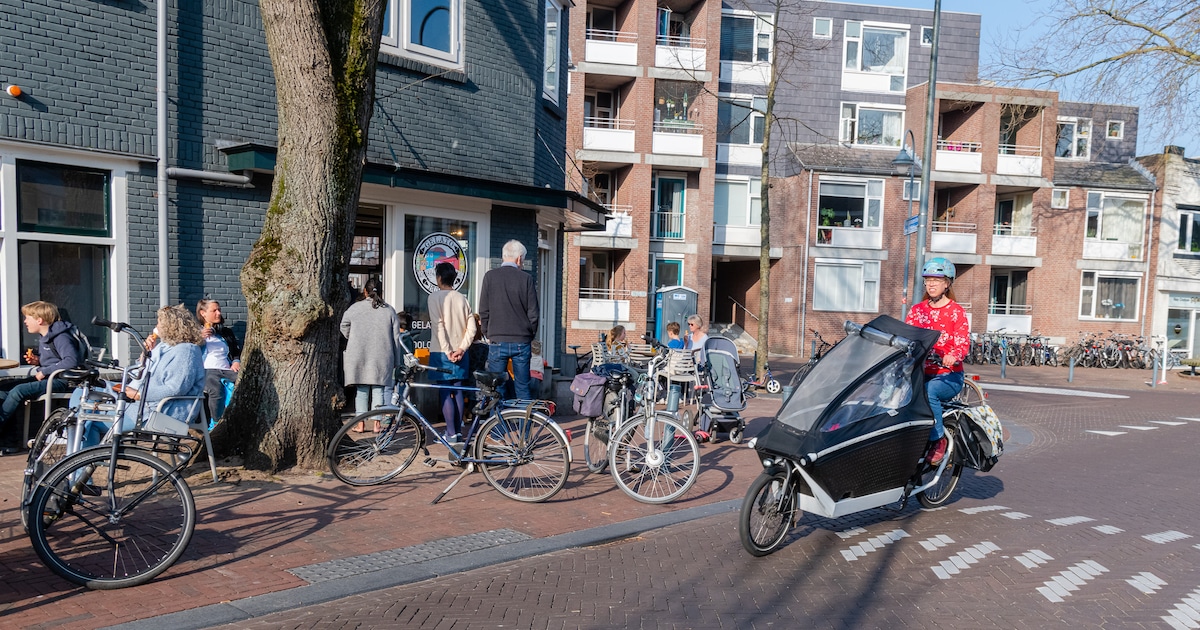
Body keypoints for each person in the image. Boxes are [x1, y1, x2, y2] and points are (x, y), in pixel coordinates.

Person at [83, 305, 206, 447]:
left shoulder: (186, 351)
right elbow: (137, 375)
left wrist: (139, 394)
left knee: (89, 421)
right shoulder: (162, 347)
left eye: (159, 322)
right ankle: (77, 465)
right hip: (140, 403)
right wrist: (145, 354)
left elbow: (176, 388)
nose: (156, 326)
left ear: (171, 326)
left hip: (161, 410)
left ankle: (78, 466)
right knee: (83, 395)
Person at [904, 257, 970, 465]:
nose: (930, 284)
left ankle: (937, 439)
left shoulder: (956, 312)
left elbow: (962, 343)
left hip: (948, 376)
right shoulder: (917, 311)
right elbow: (906, 336)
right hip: (920, 371)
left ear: (947, 283)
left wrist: (953, 355)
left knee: (929, 392)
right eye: (928, 279)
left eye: (936, 279)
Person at [0, 301, 83, 454]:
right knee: (4, 389)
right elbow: (55, 359)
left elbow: (71, 360)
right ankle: (8, 441)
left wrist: (45, 371)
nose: (25, 321)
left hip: (61, 381)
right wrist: (38, 361)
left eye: (27, 318)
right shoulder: (45, 336)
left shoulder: (61, 337)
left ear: (39, 320)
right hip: (49, 378)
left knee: (17, 391)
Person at [478, 240, 539, 400]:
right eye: (523, 260)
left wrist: (487, 332)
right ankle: (524, 424)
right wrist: (529, 334)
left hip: (497, 339)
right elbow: (533, 312)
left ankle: (498, 424)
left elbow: (483, 310)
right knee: (522, 387)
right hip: (521, 340)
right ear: (519, 259)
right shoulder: (526, 279)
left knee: (496, 389)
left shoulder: (490, 277)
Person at [341, 277, 404, 431]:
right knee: (379, 389)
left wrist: (353, 337)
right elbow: (396, 337)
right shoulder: (389, 310)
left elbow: (344, 325)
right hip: (382, 355)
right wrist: (397, 358)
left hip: (359, 353)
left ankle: (360, 423)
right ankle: (377, 424)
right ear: (381, 292)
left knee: (361, 390)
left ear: (365, 291)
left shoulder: (355, 308)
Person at [427, 262, 477, 445]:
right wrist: (462, 348)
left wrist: (448, 351)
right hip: (461, 353)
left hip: (441, 352)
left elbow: (438, 325)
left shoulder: (434, 298)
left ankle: (450, 433)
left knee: (445, 392)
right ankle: (458, 433)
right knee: (458, 389)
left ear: (439, 278)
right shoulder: (462, 298)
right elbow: (472, 328)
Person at [196, 298, 241, 423]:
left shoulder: (225, 332)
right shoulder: (195, 333)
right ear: (203, 313)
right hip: (207, 370)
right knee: (216, 390)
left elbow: (235, 351)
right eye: (214, 310)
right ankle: (217, 422)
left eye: (219, 310)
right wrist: (199, 339)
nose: (218, 313)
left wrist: (236, 361)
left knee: (245, 382)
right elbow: (188, 353)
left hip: (227, 368)